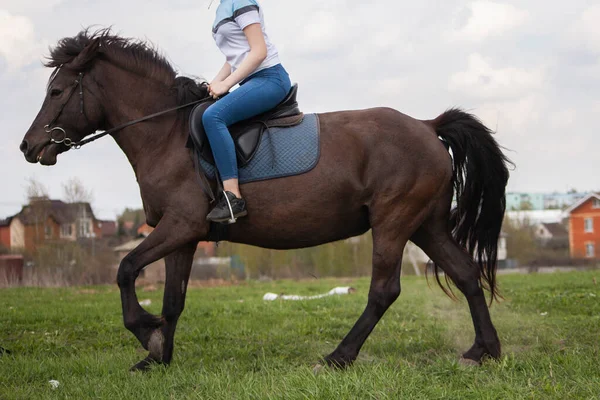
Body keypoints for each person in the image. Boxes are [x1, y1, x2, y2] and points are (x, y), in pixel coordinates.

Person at [203, 0, 291, 223]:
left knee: (213, 117)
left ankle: (233, 198)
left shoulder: (240, 1)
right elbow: (234, 57)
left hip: (270, 78)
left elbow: (259, 51)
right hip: (250, 81)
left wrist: (227, 84)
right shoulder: (221, 8)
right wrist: (216, 82)